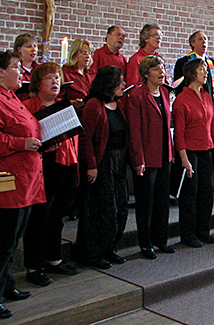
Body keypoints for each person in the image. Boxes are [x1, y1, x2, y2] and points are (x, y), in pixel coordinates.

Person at [22, 63, 80, 286]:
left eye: (57, 78)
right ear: (37, 84)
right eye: (49, 79)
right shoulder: (27, 107)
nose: (55, 82)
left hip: (64, 164)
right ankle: (34, 266)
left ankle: (54, 259)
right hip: (40, 165)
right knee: (39, 217)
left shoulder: (63, 106)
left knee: (57, 215)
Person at [0, 51, 44, 319]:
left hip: (28, 180)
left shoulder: (13, 97)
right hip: (9, 182)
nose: (21, 71)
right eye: (16, 67)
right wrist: (21, 143)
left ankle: (7, 287)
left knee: (14, 239)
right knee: (4, 241)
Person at [75, 66, 129, 269]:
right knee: (102, 209)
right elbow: (86, 138)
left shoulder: (119, 104)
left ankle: (109, 248)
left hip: (118, 161)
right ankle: (92, 253)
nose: (124, 85)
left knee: (120, 206)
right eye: (120, 81)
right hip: (101, 161)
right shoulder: (94, 105)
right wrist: (92, 165)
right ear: (109, 83)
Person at [126, 55, 175, 259]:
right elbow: (135, 131)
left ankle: (160, 240)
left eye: (162, 68)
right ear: (146, 73)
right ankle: (145, 244)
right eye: (157, 69)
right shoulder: (137, 96)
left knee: (163, 200)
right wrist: (139, 159)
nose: (162, 72)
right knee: (146, 202)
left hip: (165, 154)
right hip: (147, 157)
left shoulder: (164, 92)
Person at [173, 58, 214, 247]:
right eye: (202, 70)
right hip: (190, 152)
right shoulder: (181, 99)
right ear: (192, 74)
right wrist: (184, 159)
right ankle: (188, 234)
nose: (206, 73)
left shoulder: (206, 96)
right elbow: (178, 133)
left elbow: (213, 124)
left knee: (206, 192)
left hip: (207, 150)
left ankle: (203, 230)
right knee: (190, 195)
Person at [173, 31, 214, 104]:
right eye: (200, 39)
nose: (204, 41)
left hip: (211, 106)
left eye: (205, 39)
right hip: (191, 105)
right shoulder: (183, 62)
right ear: (192, 43)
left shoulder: (213, 63)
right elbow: (178, 87)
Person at [61, 38, 96, 109]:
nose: (88, 56)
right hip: (75, 112)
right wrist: (71, 102)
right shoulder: (65, 73)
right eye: (84, 53)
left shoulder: (91, 73)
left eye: (89, 53)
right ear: (74, 54)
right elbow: (58, 98)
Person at [13, 34, 38, 99]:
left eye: (35, 46)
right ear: (19, 49)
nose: (33, 49)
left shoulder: (40, 70)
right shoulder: (12, 70)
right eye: (29, 46)